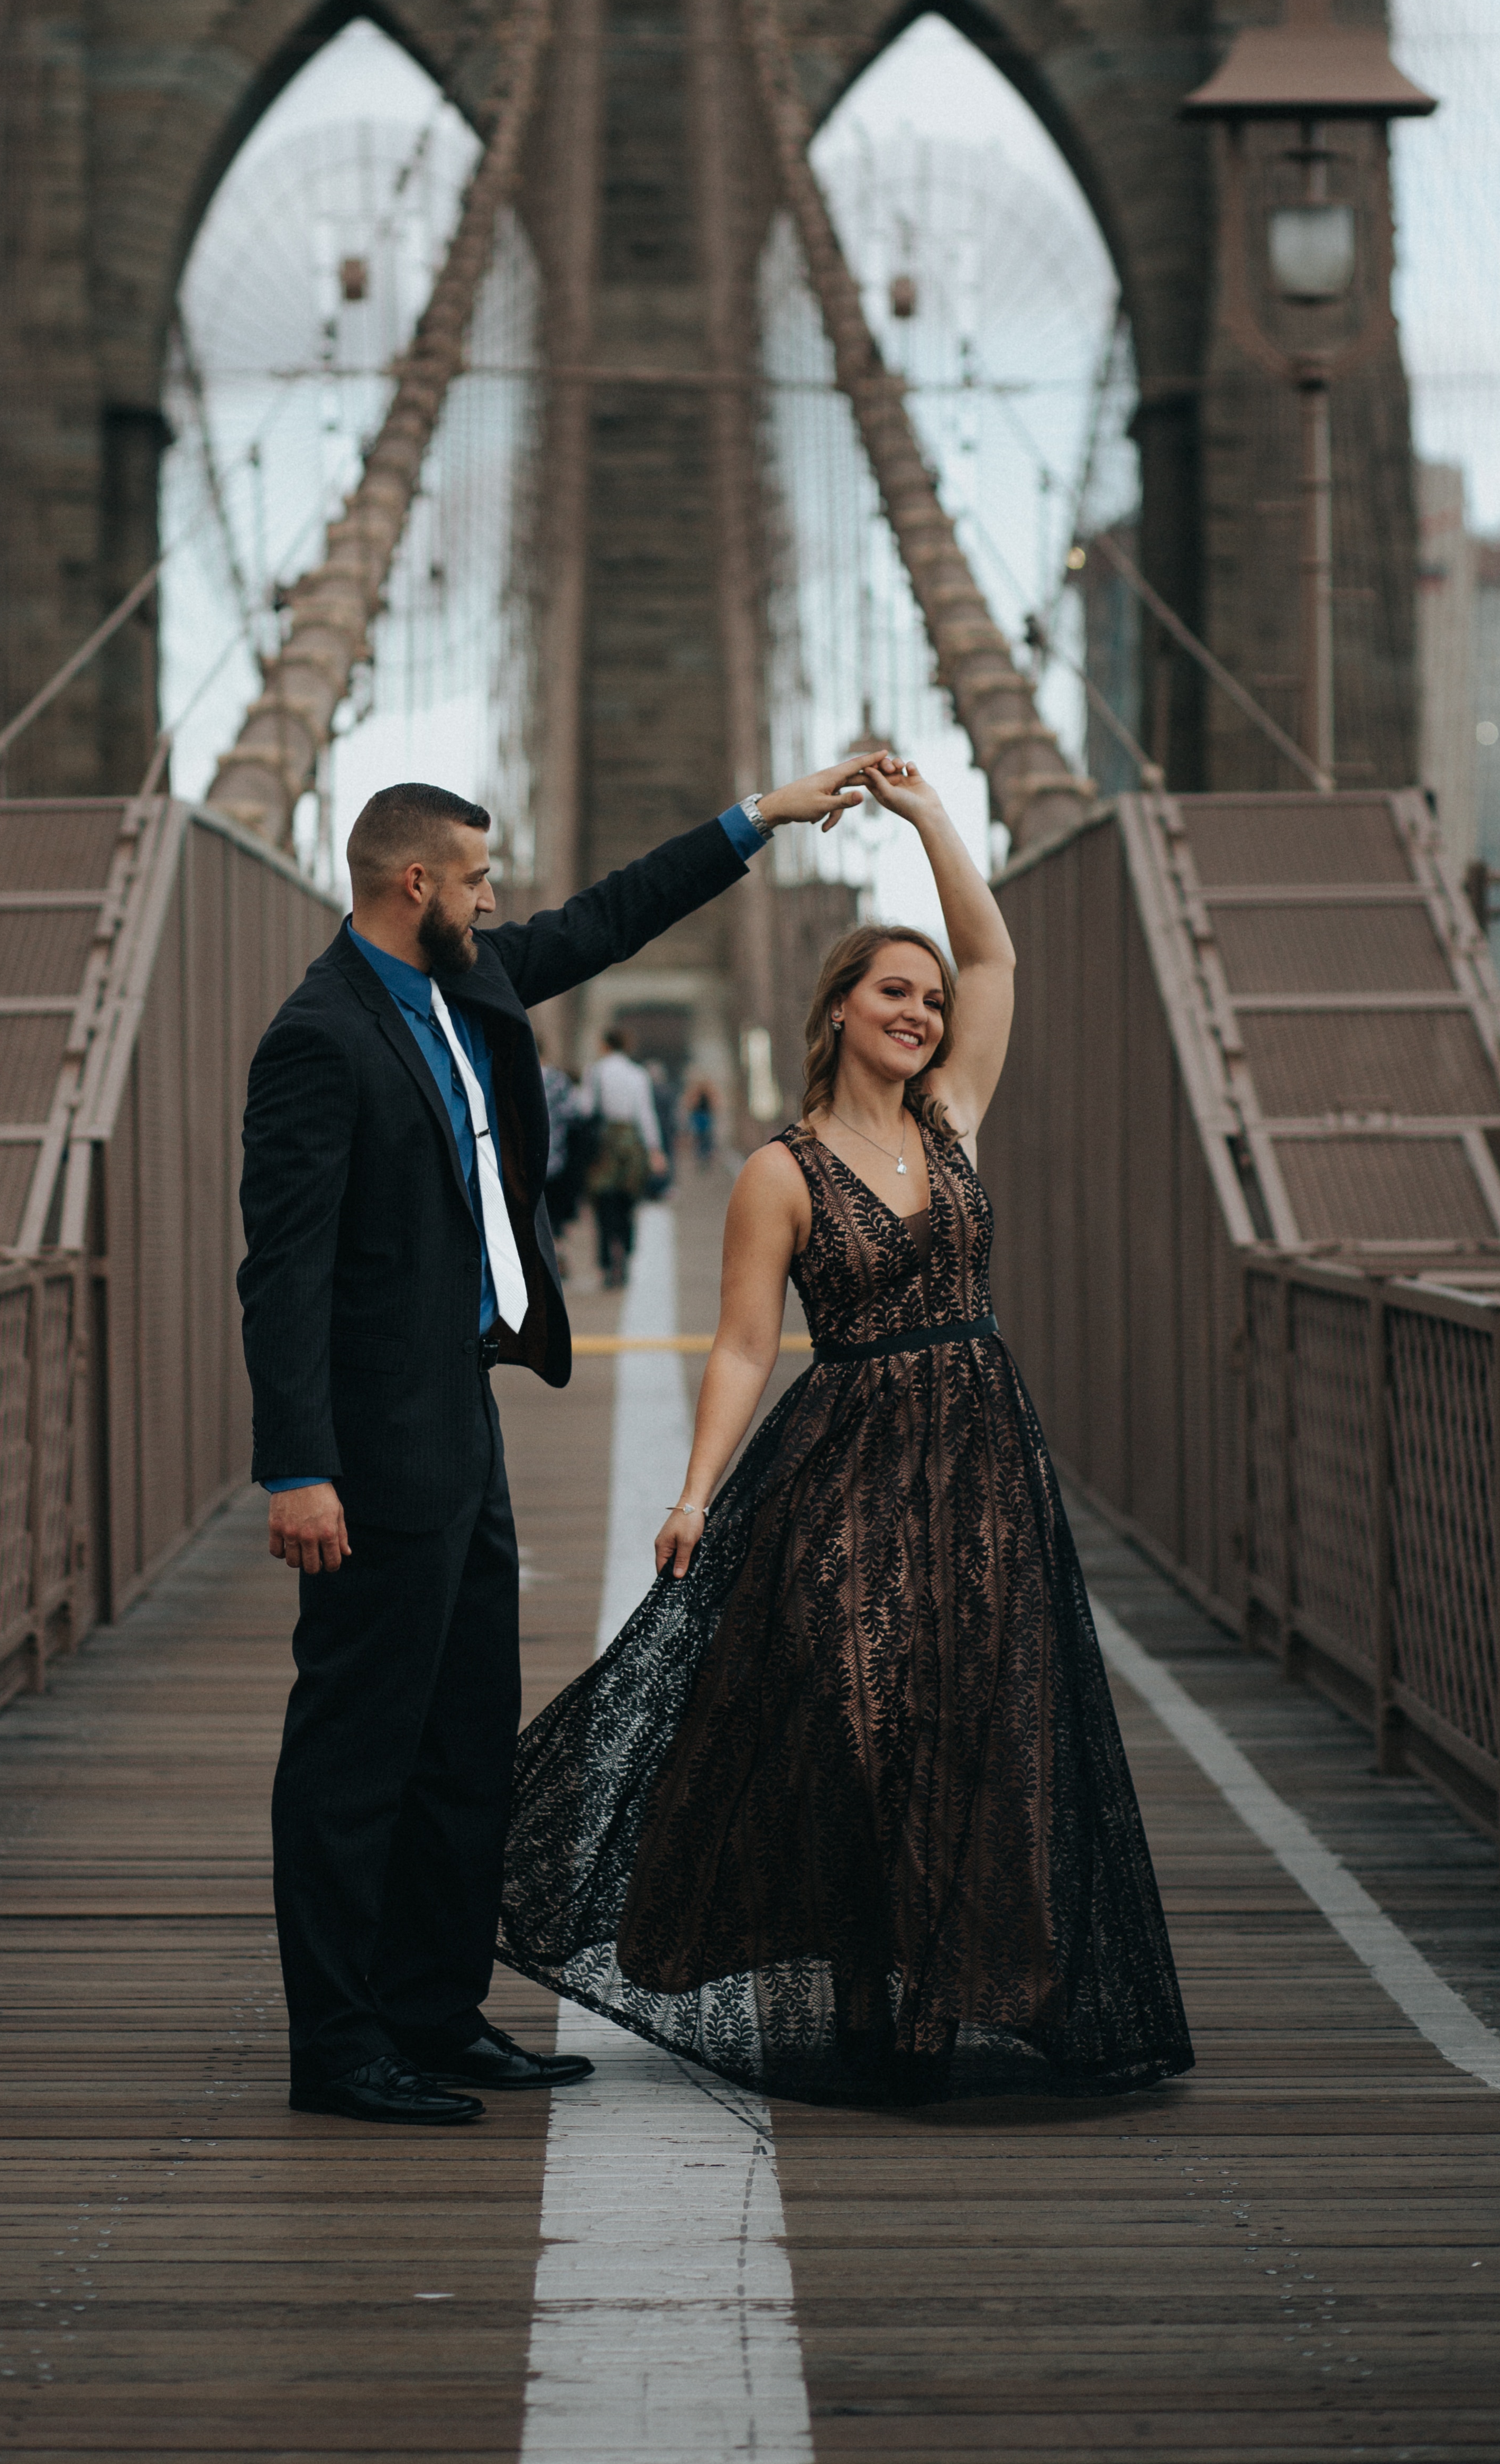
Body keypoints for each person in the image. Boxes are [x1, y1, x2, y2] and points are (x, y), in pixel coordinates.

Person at [501, 755, 1195, 2109]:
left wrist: (929, 816)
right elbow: (749, 1344)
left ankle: (951, 1998)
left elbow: (992, 958)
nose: (923, 1013)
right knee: (870, 1733)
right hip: (851, 1471)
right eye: (894, 991)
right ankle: (873, 1995)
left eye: (929, 1001)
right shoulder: (778, 1170)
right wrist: (697, 1492)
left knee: (982, 1731)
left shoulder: (952, 1122)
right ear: (838, 1007)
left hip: (986, 1466)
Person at [239, 759, 880, 2126]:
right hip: (368, 1443)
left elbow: (606, 920)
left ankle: (433, 2009)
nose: (497, 897)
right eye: (478, 879)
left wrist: (759, 819)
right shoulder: (320, 1037)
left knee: (466, 1735)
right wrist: (297, 1466)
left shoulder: (465, 984)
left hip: (461, 1419)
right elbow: (280, 1272)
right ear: (417, 886)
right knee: (361, 1744)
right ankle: (339, 2046)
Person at [579, 1027, 663, 1289]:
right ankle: (625, 1256)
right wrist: (655, 1150)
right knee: (627, 1203)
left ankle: (606, 1265)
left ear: (605, 1045)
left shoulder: (596, 1072)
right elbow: (646, 1114)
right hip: (631, 1145)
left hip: (604, 1144)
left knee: (604, 1205)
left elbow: (585, 1108)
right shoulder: (638, 1074)